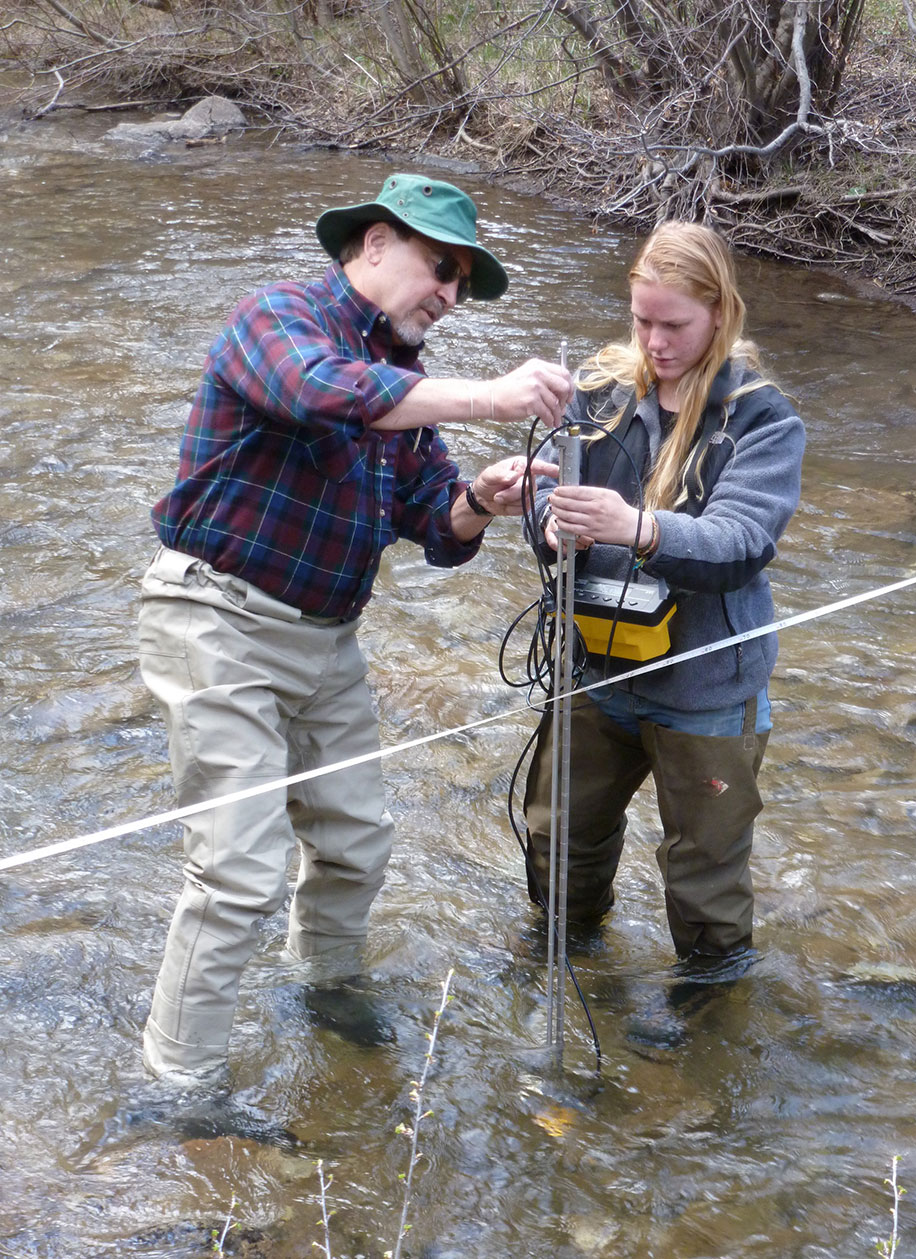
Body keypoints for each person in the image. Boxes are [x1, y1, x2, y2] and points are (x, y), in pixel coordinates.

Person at [138, 172, 572, 1083]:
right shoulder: (278, 317)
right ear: (375, 244)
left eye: (464, 280)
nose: (451, 293)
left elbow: (432, 523)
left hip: (328, 641)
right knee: (239, 876)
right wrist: (494, 397)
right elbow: (317, 392)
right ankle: (179, 1090)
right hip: (216, 618)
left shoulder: (405, 386)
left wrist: (480, 500)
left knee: (355, 847)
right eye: (442, 267)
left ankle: (327, 994)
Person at [522, 220, 805, 982]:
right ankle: (567, 963)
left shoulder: (762, 417)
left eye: (674, 324)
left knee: (705, 881)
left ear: (720, 312)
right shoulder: (599, 394)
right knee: (559, 841)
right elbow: (540, 499)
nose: (655, 341)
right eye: (643, 320)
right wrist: (547, 528)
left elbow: (742, 542)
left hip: (705, 691)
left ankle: (706, 1015)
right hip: (597, 670)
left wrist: (637, 527)